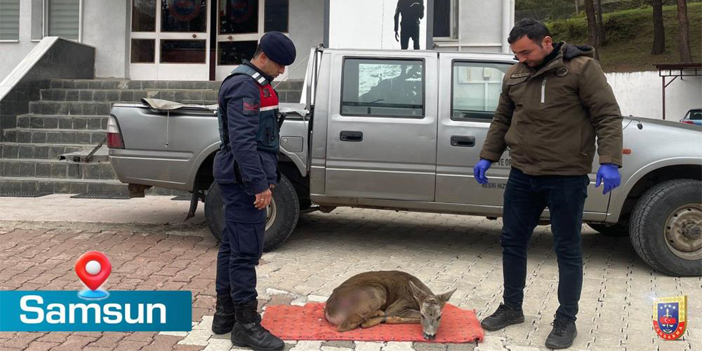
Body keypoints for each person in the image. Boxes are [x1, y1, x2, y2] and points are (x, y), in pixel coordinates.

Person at [473, 19, 623, 349]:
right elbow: (502, 119)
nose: (520, 59)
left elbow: (607, 115)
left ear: (546, 42)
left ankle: (566, 320)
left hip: (566, 177)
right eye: (515, 54)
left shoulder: (582, 69)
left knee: (567, 248)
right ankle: (512, 307)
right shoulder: (514, 75)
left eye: (525, 52)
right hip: (523, 175)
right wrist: (488, 155)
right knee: (511, 242)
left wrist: (610, 160)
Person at [211, 31, 295, 351]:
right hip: (244, 180)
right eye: (280, 64)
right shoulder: (245, 85)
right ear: (263, 57)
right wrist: (260, 184)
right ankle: (245, 325)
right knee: (246, 252)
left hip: (243, 176)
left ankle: (225, 315)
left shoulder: (257, 83)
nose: (282, 71)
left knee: (233, 246)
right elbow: (243, 141)